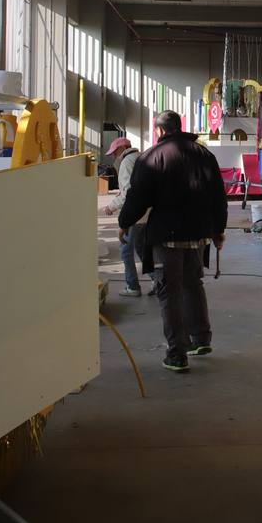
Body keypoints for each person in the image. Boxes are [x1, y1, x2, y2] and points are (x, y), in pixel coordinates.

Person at [119, 111, 227, 373]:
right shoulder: (204, 155)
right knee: (193, 284)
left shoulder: (152, 157)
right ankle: (201, 339)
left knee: (169, 291)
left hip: (166, 236)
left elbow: (137, 197)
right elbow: (218, 196)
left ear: (159, 131)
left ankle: (177, 354)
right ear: (180, 127)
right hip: (198, 233)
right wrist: (218, 230)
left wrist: (125, 222)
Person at [103, 137, 145, 297]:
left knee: (126, 250)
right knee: (141, 249)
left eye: (114, 153)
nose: (114, 157)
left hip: (134, 214)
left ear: (122, 149)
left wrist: (112, 207)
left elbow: (128, 193)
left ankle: (133, 286)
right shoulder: (141, 157)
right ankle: (158, 281)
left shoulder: (127, 163)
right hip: (146, 213)